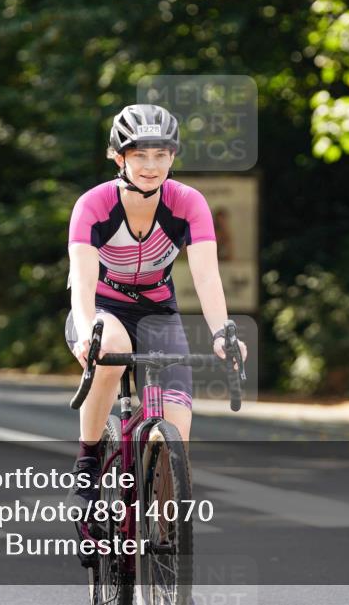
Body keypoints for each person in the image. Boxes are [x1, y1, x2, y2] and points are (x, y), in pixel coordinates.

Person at [64, 103, 247, 506]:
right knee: (114, 348)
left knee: (178, 435)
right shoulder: (93, 205)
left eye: (161, 155)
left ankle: (163, 528)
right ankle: (89, 457)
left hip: (158, 312)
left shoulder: (188, 202)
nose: (151, 165)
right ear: (118, 157)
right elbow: (82, 280)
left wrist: (221, 332)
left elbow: (205, 276)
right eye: (140, 155)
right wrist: (86, 330)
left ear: (173, 156)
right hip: (102, 308)